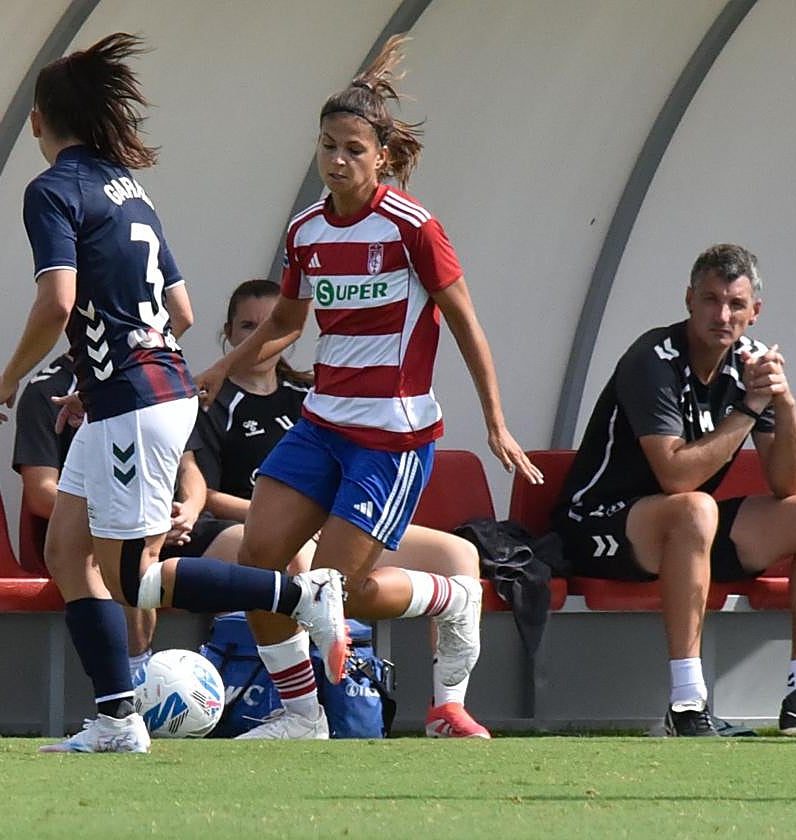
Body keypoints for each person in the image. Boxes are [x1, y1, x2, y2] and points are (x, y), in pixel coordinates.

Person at [0, 32, 347, 754]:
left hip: (136, 404)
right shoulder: (129, 189)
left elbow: (58, 302)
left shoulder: (51, 190)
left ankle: (300, 594)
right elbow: (179, 311)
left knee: (132, 579)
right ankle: (119, 720)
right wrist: (96, 379)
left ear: (37, 120)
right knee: (67, 552)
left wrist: (10, 375)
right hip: (139, 393)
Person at [197, 35, 542, 740]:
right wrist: (222, 369)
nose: (337, 160)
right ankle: (301, 717)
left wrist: (495, 420)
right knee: (259, 565)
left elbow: (466, 325)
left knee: (334, 593)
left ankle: (450, 597)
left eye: (353, 149)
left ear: (381, 155)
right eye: (328, 146)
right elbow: (288, 323)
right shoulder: (305, 231)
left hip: (392, 436)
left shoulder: (414, 228)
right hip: (320, 425)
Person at [197, 279, 493, 737]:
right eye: (248, 327)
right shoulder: (212, 400)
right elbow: (203, 493)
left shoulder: (312, 398)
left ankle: (447, 708)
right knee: (307, 574)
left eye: (271, 325)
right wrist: (292, 519)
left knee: (458, 554)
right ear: (229, 333)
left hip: (329, 518)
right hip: (245, 527)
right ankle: (305, 707)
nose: (262, 337)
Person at [552, 243, 796, 737]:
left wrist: (782, 402)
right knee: (695, 508)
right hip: (595, 524)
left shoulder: (749, 363)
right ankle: (686, 703)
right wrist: (748, 408)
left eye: (736, 304)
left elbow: (787, 485)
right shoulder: (653, 359)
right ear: (689, 300)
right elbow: (675, 476)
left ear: (754, 312)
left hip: (685, 531)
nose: (723, 315)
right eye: (711, 300)